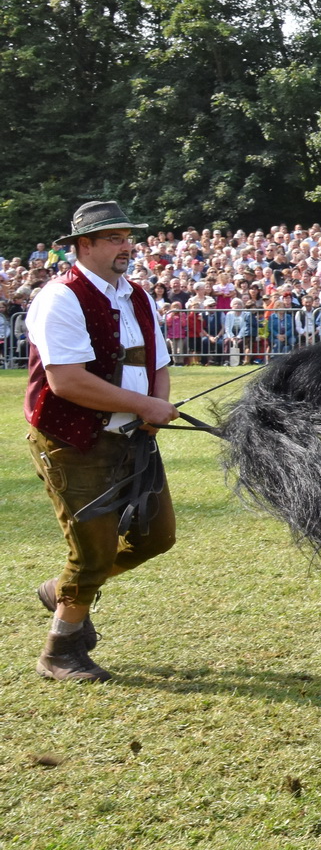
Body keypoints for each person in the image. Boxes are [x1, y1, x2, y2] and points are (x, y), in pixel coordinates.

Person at [24, 202, 180, 681]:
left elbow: (157, 362)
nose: (126, 246)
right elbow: (67, 381)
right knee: (93, 552)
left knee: (156, 537)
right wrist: (145, 406)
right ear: (84, 245)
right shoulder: (59, 298)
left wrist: (155, 406)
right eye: (114, 238)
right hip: (74, 441)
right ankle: (60, 651)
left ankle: (63, 589)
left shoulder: (138, 296)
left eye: (127, 237)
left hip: (132, 438)